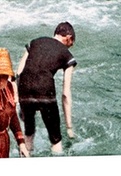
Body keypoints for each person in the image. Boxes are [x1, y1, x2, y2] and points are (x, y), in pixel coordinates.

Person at [16, 22, 77, 155]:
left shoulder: (34, 43)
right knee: (56, 140)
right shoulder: (67, 54)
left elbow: (19, 73)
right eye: (71, 43)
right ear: (68, 37)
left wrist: (19, 100)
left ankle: (25, 156)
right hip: (45, 92)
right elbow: (66, 94)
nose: (70, 47)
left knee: (29, 133)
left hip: (24, 89)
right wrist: (69, 127)